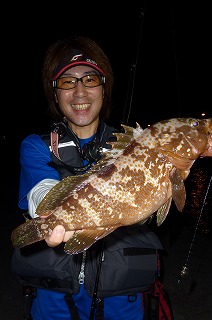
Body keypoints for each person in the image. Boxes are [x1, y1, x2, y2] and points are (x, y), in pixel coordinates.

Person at [12, 35, 167, 320]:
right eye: (68, 82)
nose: (80, 92)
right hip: (55, 299)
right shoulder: (36, 145)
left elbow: (149, 210)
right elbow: (40, 190)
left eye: (90, 79)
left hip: (122, 298)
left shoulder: (136, 145)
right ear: (55, 93)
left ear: (105, 89)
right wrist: (54, 213)